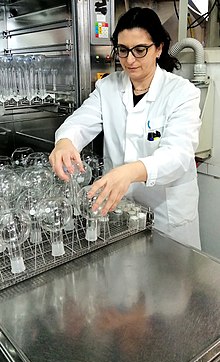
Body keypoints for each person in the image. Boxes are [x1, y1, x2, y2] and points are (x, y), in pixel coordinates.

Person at [49, 7, 202, 249]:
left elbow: (179, 155)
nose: (130, 59)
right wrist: (65, 141)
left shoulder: (182, 93)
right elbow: (80, 121)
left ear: (159, 48)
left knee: (169, 284)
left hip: (167, 217)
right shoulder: (107, 87)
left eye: (140, 50)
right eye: (123, 50)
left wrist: (131, 171)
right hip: (119, 211)